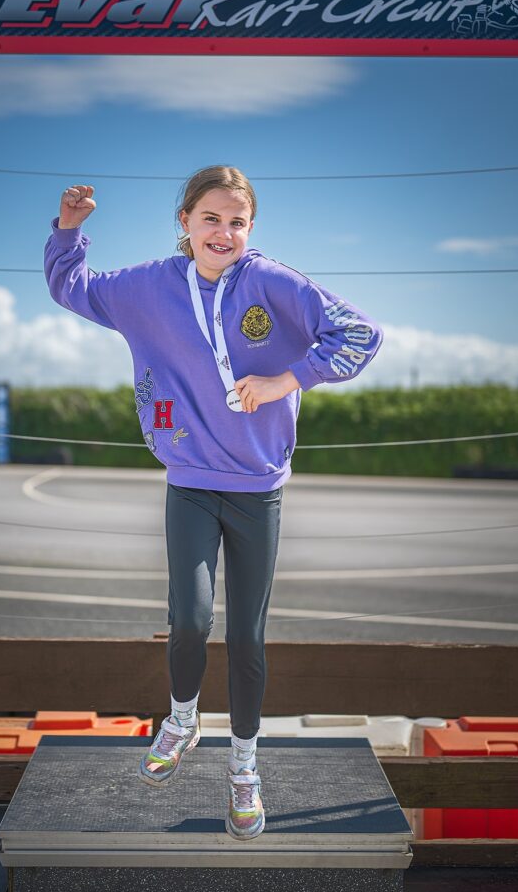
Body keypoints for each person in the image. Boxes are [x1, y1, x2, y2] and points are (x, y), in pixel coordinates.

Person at [44, 165, 384, 841]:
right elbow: (70, 287)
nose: (222, 232)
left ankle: (245, 769)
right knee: (191, 621)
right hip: (190, 481)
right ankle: (180, 718)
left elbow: (360, 335)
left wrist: (287, 377)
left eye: (236, 221)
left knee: (248, 640)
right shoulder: (146, 287)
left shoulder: (275, 284)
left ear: (249, 229)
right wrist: (68, 232)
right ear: (185, 223)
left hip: (257, 489)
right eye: (210, 218)